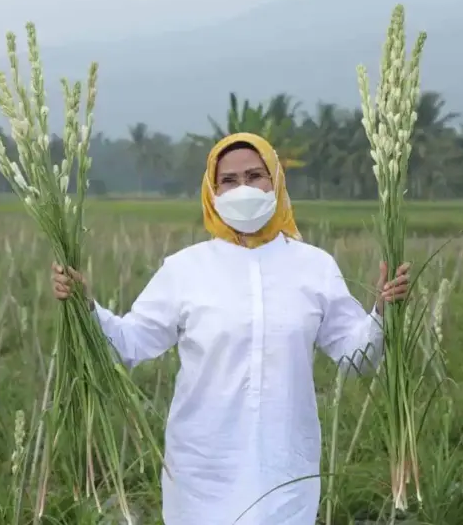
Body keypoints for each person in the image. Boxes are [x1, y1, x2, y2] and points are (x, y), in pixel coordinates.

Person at [50, 132, 410, 525]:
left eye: (255, 176)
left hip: (286, 468)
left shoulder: (314, 267)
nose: (243, 188)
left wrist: (381, 309)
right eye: (229, 180)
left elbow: (355, 357)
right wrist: (85, 306)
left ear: (276, 181)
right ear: (212, 191)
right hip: (203, 472)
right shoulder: (185, 269)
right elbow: (130, 343)